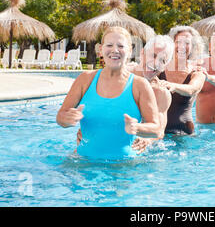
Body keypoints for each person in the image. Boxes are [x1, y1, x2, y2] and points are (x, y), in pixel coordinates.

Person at [56, 26, 161, 160]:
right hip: (83, 163)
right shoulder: (85, 79)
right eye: (109, 45)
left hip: (124, 167)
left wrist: (137, 128)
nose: (114, 50)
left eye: (121, 46)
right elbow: (60, 117)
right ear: (101, 49)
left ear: (130, 51)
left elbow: (156, 129)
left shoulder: (140, 85)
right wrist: (67, 119)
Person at [76, 35, 175, 151]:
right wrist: (86, 129)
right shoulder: (117, 74)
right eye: (153, 55)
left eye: (162, 60)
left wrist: (147, 140)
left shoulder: (160, 93)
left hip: (131, 149)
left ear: (165, 67)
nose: (155, 63)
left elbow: (159, 131)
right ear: (142, 53)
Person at [158, 26, 206, 135]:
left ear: (193, 47)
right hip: (157, 133)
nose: (182, 46)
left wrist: (173, 86)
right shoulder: (159, 68)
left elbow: (192, 89)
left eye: (187, 43)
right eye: (178, 41)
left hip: (184, 134)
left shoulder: (197, 72)